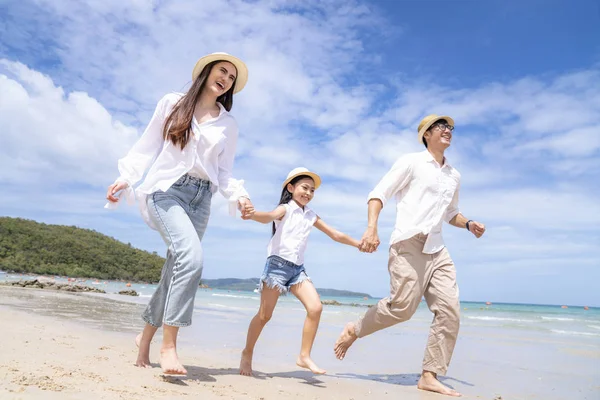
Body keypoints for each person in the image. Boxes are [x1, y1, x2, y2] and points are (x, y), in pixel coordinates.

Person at [105, 52, 254, 376]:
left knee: (175, 271)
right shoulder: (172, 102)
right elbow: (147, 145)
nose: (226, 78)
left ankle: (144, 340)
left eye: (231, 77)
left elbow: (224, 172)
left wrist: (240, 196)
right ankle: (169, 345)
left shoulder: (228, 124)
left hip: (202, 200)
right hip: (166, 191)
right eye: (222, 71)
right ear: (206, 72)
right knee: (192, 257)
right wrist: (126, 178)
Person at [333, 115, 486, 397]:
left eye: (450, 127)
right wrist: (371, 227)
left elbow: (450, 212)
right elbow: (379, 194)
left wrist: (468, 223)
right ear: (426, 134)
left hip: (437, 248)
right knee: (402, 308)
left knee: (450, 311)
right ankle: (354, 330)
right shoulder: (411, 162)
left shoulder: (454, 175)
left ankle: (430, 374)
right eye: (441, 127)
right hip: (408, 243)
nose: (447, 131)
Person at [239, 167, 360, 377]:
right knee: (264, 316)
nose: (309, 193)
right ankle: (247, 352)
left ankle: (304, 356)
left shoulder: (311, 215)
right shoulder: (285, 209)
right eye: (305, 188)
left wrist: (358, 244)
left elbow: (335, 234)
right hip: (277, 266)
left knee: (316, 308)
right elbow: (268, 216)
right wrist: (252, 214)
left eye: (312, 190)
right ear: (291, 187)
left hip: (297, 270)